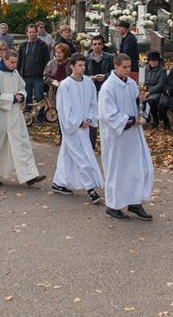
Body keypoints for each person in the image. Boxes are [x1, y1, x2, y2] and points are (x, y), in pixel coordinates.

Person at [98, 53, 153, 221]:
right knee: (118, 171)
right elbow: (108, 114)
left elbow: (136, 105)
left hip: (133, 136)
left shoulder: (131, 84)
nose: (128, 71)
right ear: (116, 66)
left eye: (130, 67)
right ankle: (113, 205)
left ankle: (134, 201)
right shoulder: (108, 87)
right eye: (125, 67)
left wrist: (141, 101)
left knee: (137, 169)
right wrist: (130, 120)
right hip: (117, 137)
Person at [0, 50, 46, 187]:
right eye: (12, 62)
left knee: (21, 143)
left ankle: (29, 175)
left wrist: (21, 94)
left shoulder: (14, 73)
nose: (15, 65)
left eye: (16, 62)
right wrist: (13, 98)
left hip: (14, 115)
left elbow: (22, 87)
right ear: (4, 60)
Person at [51, 53, 104, 203]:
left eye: (84, 65)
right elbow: (64, 108)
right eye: (79, 65)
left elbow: (93, 102)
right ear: (72, 66)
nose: (82, 68)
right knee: (82, 157)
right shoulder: (65, 85)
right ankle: (90, 189)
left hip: (85, 126)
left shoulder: (88, 82)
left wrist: (90, 118)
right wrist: (77, 122)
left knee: (68, 155)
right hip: (72, 128)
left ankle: (58, 182)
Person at [85, 35, 114, 145]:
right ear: (91, 46)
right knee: (92, 115)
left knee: (105, 115)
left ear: (103, 45)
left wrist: (105, 76)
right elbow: (83, 73)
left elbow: (114, 71)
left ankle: (107, 142)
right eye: (95, 44)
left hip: (105, 88)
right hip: (91, 89)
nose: (97, 46)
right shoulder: (87, 58)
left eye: (99, 44)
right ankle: (91, 143)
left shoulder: (109, 57)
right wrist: (90, 78)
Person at [17, 23, 51, 108]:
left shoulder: (43, 45)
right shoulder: (23, 46)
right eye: (30, 32)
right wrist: (18, 73)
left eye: (33, 32)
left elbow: (47, 61)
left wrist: (46, 74)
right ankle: (28, 113)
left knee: (39, 96)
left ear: (37, 33)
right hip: (26, 75)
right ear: (27, 33)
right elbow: (19, 61)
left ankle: (40, 115)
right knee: (27, 96)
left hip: (38, 76)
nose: (32, 34)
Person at [43, 43, 71, 111]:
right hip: (54, 91)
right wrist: (54, 82)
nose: (58, 54)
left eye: (60, 53)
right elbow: (45, 77)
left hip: (68, 91)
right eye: (56, 52)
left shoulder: (70, 63)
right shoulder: (51, 63)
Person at [144, 51, 167, 129]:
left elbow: (161, 84)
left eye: (155, 61)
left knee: (151, 101)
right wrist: (142, 89)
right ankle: (145, 117)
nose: (153, 62)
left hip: (156, 91)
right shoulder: (145, 68)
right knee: (137, 98)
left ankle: (155, 119)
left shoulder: (162, 70)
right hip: (145, 89)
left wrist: (149, 92)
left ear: (158, 61)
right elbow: (141, 80)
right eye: (151, 60)